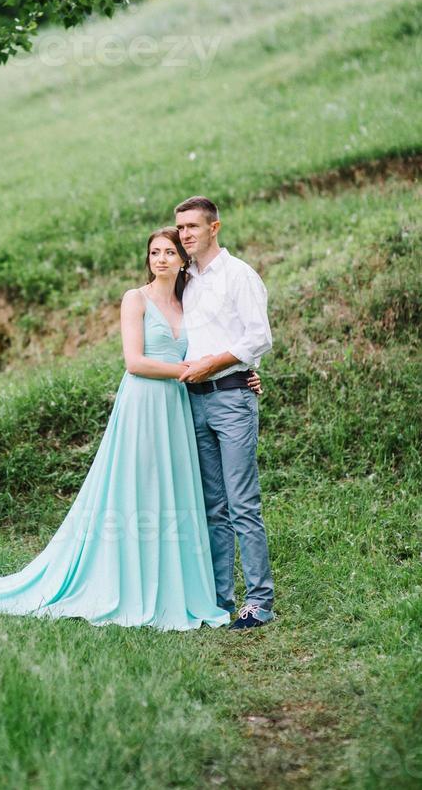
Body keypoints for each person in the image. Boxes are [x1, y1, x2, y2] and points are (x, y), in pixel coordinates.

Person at [0, 227, 262, 631]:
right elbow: (134, 362)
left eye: (170, 252)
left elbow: (220, 340)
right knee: (135, 490)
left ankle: (176, 582)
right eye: (155, 252)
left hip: (176, 406)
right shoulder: (135, 299)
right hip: (143, 403)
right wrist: (191, 370)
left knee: (172, 492)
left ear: (183, 259)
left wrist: (245, 373)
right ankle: (126, 581)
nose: (162, 259)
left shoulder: (190, 301)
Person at [175, 196, 275, 629]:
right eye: (181, 228)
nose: (185, 235)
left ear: (214, 228)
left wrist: (216, 365)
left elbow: (259, 338)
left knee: (242, 503)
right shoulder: (186, 281)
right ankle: (219, 597)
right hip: (194, 403)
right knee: (212, 505)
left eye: (193, 227)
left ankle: (259, 602)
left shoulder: (239, 275)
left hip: (232, 399)